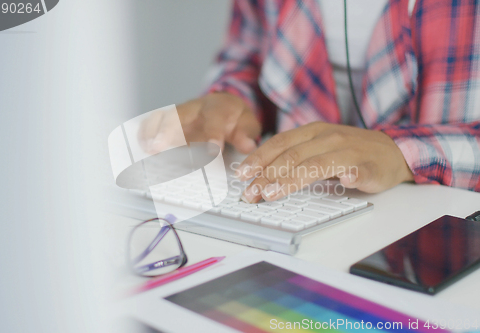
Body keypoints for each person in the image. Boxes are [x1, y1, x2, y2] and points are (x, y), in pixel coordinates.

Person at [141, 0, 480, 203]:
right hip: (309, 205)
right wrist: (234, 99)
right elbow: (247, 57)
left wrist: (404, 154)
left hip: (442, 229)